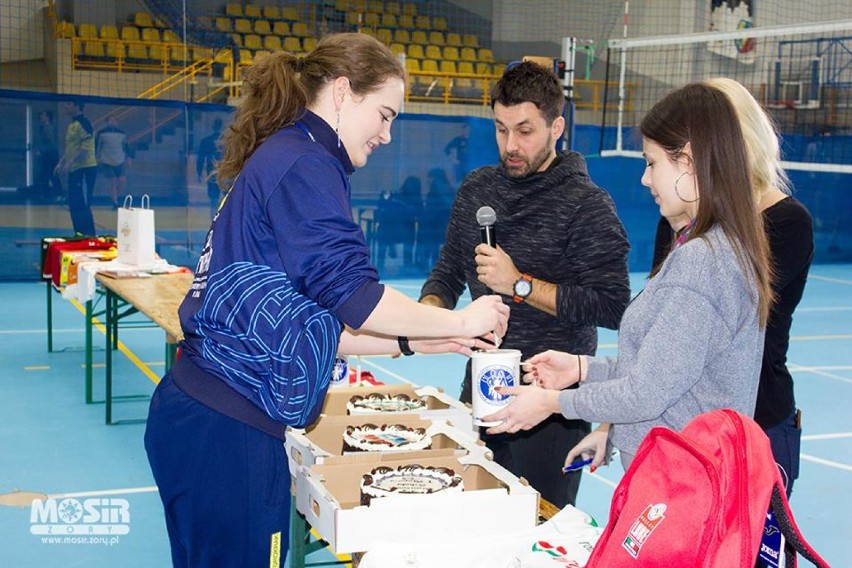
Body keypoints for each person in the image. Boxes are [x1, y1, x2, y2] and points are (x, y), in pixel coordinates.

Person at [143, 34, 509, 568]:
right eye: (383, 115)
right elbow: (355, 296)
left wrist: (423, 341)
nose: (386, 134)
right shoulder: (305, 165)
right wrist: (456, 316)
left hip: (205, 418)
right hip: (228, 430)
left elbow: (314, 324)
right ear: (342, 93)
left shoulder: (290, 158)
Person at [484, 79, 775, 474]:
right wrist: (582, 369)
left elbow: (645, 392)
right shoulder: (712, 248)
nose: (645, 178)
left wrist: (551, 403)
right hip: (675, 476)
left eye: (652, 163)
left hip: (681, 481)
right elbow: (666, 371)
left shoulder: (702, 262)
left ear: (688, 162)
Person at [419, 61, 631, 508]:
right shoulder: (477, 190)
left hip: (551, 405)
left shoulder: (587, 204)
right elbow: (447, 274)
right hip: (480, 385)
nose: (510, 145)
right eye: (500, 129)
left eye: (524, 131)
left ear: (557, 127)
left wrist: (519, 285)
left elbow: (613, 306)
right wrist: (430, 316)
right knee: (469, 517)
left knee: (539, 530)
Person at [650, 77, 814, 497]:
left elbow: (715, 327)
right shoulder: (678, 215)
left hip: (756, 424)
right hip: (685, 422)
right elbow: (654, 323)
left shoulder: (787, 223)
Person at [55, 100, 97, 236]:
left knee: (83, 203)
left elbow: (85, 149)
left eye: (68, 104)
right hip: (74, 169)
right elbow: (70, 148)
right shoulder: (71, 125)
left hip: (85, 169)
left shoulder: (84, 123)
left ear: (77, 106)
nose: (65, 106)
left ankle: (89, 235)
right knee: (73, 204)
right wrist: (61, 162)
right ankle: (78, 234)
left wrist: (70, 162)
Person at [417, 167, 455, 271]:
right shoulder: (449, 188)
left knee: (431, 247)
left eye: (429, 177)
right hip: (443, 223)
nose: (428, 180)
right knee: (437, 248)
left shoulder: (437, 188)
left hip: (434, 223)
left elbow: (434, 207)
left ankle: (430, 268)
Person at [95, 115, 132, 209]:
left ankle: (115, 195)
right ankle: (115, 202)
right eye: (110, 120)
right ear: (106, 122)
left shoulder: (122, 134)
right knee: (113, 181)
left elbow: (126, 147)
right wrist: (96, 157)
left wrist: (129, 158)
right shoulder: (101, 133)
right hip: (107, 160)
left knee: (122, 181)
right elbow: (96, 146)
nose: (112, 122)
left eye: (114, 120)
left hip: (120, 159)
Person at [196, 117, 224, 217]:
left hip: (219, 174)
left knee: (214, 200)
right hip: (223, 174)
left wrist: (199, 173)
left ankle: (214, 220)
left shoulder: (206, 141)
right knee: (223, 199)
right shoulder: (227, 141)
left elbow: (200, 159)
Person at [34, 110, 63, 202]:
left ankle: (58, 194)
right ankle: (47, 194)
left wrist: (41, 151)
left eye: (43, 115)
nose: (41, 117)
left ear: (47, 117)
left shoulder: (49, 128)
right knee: (45, 175)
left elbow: (50, 143)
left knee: (52, 175)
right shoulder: (43, 128)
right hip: (47, 155)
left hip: (50, 155)